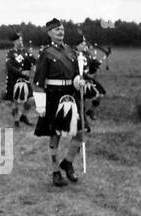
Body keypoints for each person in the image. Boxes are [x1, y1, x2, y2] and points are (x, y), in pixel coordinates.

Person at [32, 18, 88, 187]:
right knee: (55, 134)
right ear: (49, 33)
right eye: (56, 30)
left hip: (70, 95)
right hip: (53, 96)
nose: (60, 32)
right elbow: (38, 82)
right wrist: (40, 105)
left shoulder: (71, 51)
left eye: (62, 29)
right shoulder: (46, 53)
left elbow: (74, 75)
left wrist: (78, 81)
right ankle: (55, 171)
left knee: (80, 131)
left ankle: (68, 162)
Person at [3, 32, 36, 127]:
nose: (21, 42)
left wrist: (32, 56)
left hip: (25, 80)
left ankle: (24, 116)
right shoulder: (10, 53)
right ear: (15, 41)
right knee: (15, 101)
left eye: (21, 40)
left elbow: (34, 62)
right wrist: (21, 72)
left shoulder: (25, 52)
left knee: (31, 99)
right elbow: (9, 66)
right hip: (14, 80)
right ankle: (16, 120)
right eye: (19, 40)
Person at [74, 39, 106, 120]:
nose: (84, 46)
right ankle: (81, 114)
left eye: (84, 44)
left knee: (101, 93)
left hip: (88, 79)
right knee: (83, 98)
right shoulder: (73, 55)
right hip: (78, 80)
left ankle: (91, 110)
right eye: (82, 44)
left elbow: (91, 69)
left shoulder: (87, 55)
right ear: (77, 45)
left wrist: (96, 65)